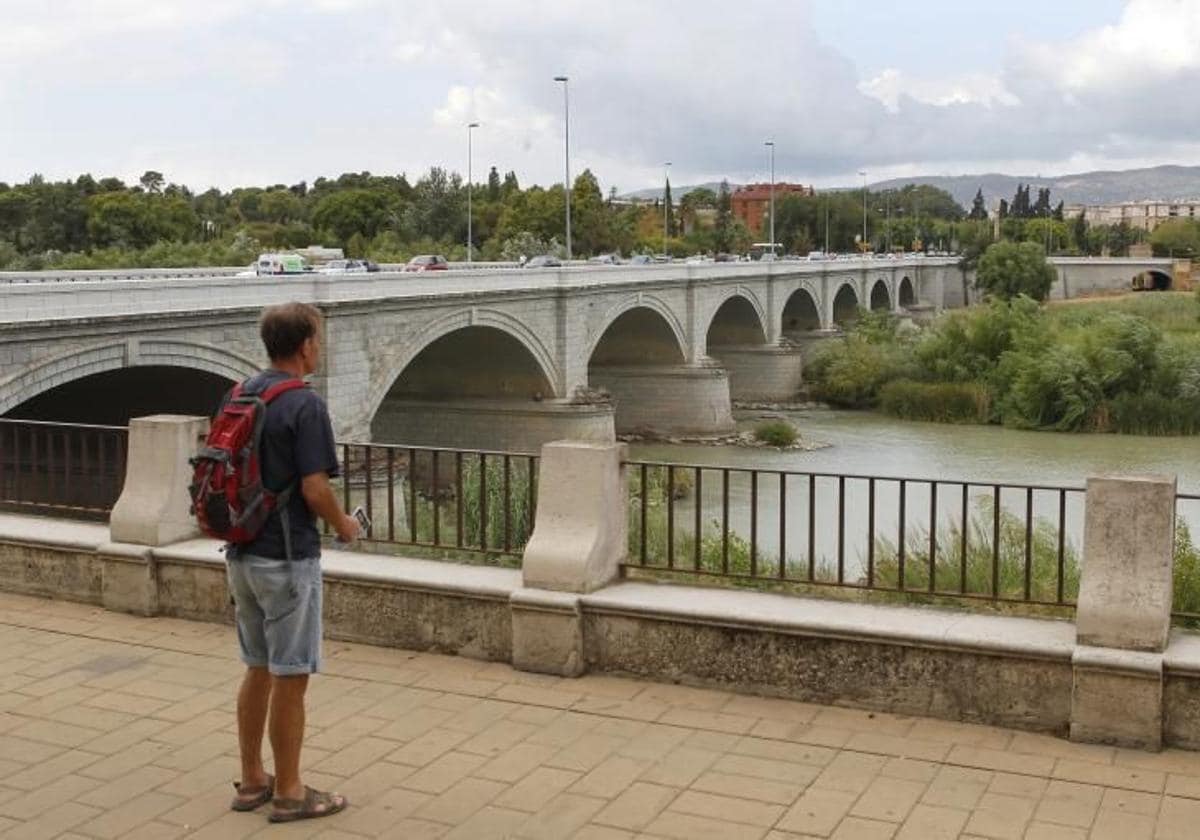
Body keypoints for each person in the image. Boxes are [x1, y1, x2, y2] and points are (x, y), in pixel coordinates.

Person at [225, 301, 358, 823]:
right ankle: (291, 791)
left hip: (241, 553)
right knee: (290, 674)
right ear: (305, 345)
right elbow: (314, 487)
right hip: (286, 559)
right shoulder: (305, 405)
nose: (318, 349)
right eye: (318, 340)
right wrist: (343, 523)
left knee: (257, 667)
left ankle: (253, 778)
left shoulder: (238, 394)